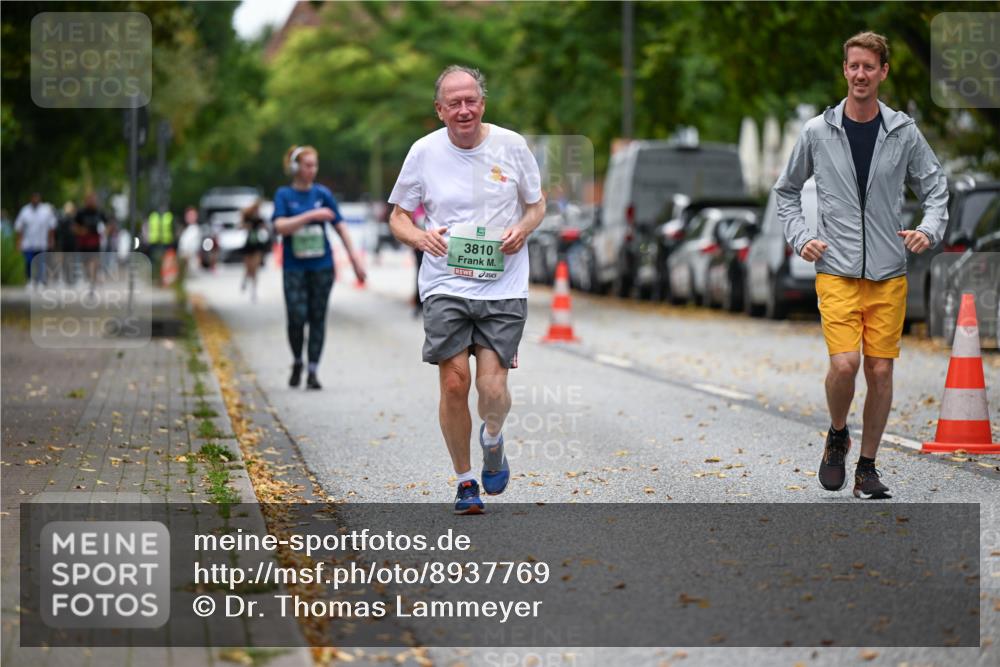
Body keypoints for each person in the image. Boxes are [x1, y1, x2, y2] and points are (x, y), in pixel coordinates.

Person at [775, 32, 948, 499]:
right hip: (836, 268)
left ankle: (867, 468)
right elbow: (786, 191)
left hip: (889, 272)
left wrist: (927, 231)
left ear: (883, 72)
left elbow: (935, 190)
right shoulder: (817, 131)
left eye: (869, 67)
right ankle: (837, 434)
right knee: (846, 364)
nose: (860, 75)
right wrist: (802, 237)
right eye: (853, 66)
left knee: (881, 372)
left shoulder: (903, 132)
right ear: (844, 70)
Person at [388, 65, 545, 514]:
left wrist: (522, 229)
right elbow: (399, 215)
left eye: (471, 100)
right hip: (444, 283)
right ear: (439, 111)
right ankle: (464, 482)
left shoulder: (512, 146)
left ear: (483, 103)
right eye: (453, 103)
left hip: (503, 286)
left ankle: (492, 438)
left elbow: (537, 205)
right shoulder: (423, 153)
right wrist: (419, 237)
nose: (464, 110)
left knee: (492, 391)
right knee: (455, 383)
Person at [272, 145, 366, 390]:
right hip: (294, 267)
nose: (312, 170)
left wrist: (355, 261)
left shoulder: (323, 194)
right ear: (295, 167)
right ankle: (297, 360)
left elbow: (341, 226)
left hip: (322, 266)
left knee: (317, 317)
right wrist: (310, 216)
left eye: (315, 165)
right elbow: (280, 226)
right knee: (296, 317)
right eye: (307, 165)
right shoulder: (284, 195)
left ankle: (313, 370)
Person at [14, 192, 57, 288]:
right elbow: (19, 227)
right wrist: (19, 241)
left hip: (42, 242)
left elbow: (52, 226)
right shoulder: (25, 211)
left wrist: (51, 239)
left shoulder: (46, 211)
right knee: (29, 262)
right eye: (33, 198)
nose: (35, 200)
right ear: (31, 199)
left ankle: (40, 280)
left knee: (40, 262)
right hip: (28, 242)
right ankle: (30, 280)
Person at [73, 192, 108, 294]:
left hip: (95, 242)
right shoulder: (81, 213)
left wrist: (105, 232)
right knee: (85, 265)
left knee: (94, 263)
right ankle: (89, 279)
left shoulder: (99, 212)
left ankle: (92, 285)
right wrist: (81, 231)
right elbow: (74, 227)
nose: (92, 202)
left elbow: (108, 224)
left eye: (93, 200)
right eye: (90, 200)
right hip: (83, 243)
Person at [240, 200, 270, 302]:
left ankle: (254, 290)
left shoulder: (260, 219)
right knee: (248, 267)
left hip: (257, 245)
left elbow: (266, 228)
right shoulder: (247, 217)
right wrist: (246, 226)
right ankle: (245, 280)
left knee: (255, 268)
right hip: (248, 245)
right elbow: (240, 226)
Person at [177, 206, 202, 283]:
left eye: (191, 215)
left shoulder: (195, 230)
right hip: (184, 263)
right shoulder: (187, 229)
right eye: (188, 215)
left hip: (189, 263)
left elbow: (192, 249)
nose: (188, 217)